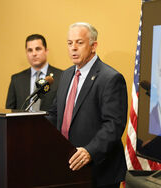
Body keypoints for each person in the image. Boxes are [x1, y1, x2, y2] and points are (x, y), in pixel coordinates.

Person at [47, 22, 128, 188]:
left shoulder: (110, 78)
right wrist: (29, 125)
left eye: (79, 42)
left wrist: (90, 151)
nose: (73, 48)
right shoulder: (66, 74)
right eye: (70, 43)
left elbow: (113, 125)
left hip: (99, 172)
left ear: (93, 46)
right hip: (69, 167)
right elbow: (56, 114)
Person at [6, 34, 62, 111]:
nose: (34, 54)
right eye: (30, 50)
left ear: (46, 51)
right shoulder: (16, 80)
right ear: (26, 53)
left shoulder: (61, 76)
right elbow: (9, 111)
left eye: (38, 49)